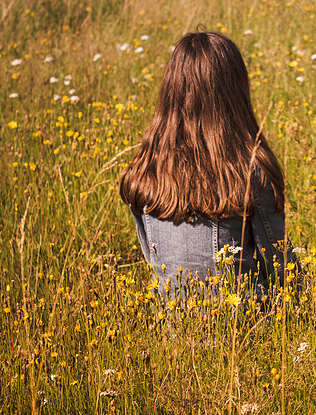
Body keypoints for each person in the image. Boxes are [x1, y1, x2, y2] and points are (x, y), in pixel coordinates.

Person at [119, 28, 300, 305]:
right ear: (235, 94)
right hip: (243, 326)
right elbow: (281, 268)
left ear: (171, 91)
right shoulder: (249, 170)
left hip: (173, 330)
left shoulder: (144, 170)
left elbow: (154, 261)